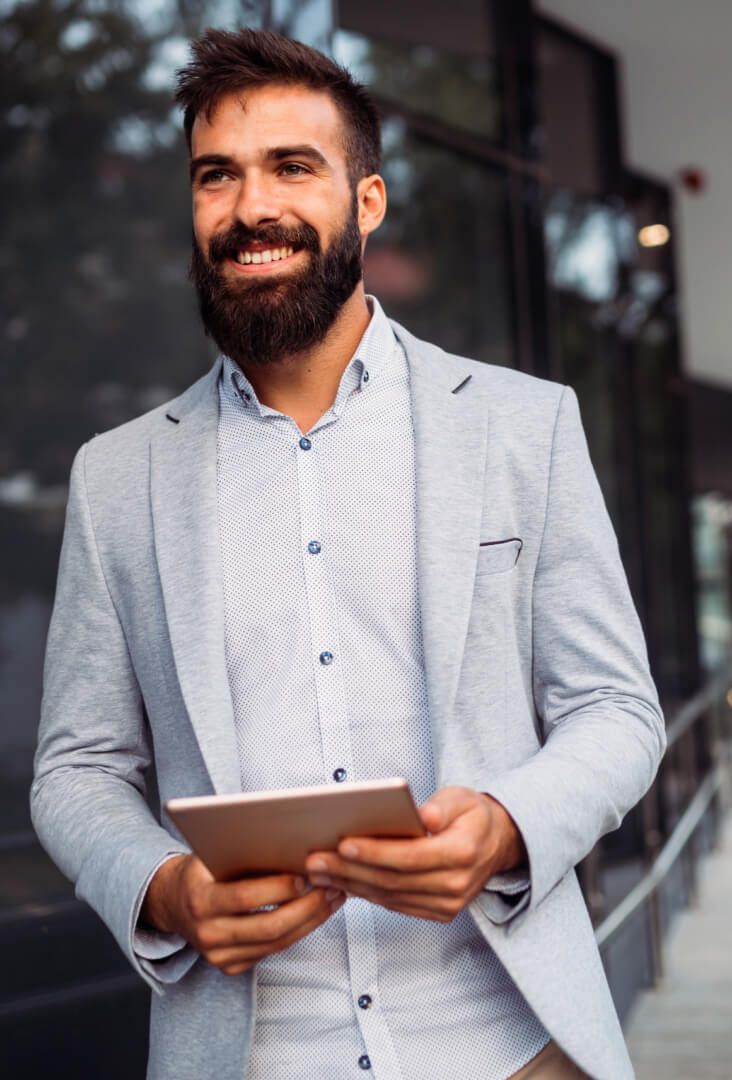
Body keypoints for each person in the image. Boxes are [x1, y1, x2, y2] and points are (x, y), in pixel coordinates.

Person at [31, 27, 664, 1080]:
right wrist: (165, 889)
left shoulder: (522, 424)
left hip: (509, 1042)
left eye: (293, 167)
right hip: (251, 1055)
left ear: (366, 201)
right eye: (217, 177)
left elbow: (617, 708)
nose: (252, 209)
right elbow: (78, 768)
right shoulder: (119, 477)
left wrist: (508, 825)